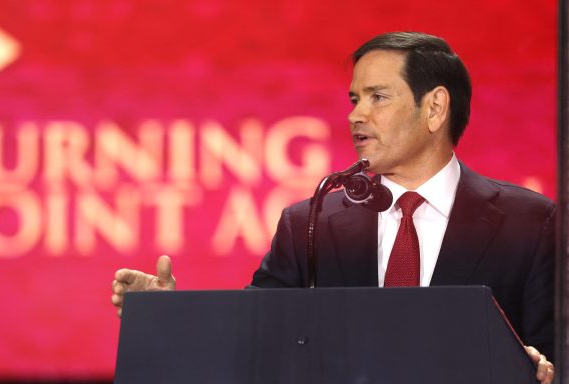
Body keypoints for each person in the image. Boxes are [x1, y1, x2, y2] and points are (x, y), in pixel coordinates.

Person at [110, 31, 555, 383]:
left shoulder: (530, 223)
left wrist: (539, 368)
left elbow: (554, 351)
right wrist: (165, 316)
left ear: (435, 108)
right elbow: (252, 340)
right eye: (354, 100)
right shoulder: (311, 222)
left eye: (378, 97)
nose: (356, 115)